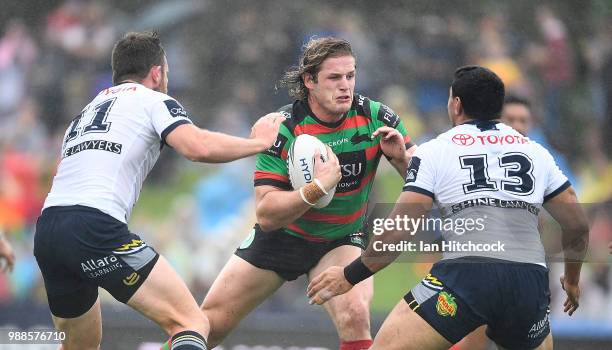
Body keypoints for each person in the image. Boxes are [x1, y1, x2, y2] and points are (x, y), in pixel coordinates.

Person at [307, 66, 589, 350]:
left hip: (468, 276)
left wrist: (348, 275)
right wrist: (573, 281)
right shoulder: (536, 152)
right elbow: (577, 225)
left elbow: (399, 230)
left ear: (456, 104)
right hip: (528, 281)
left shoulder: (436, 150)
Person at [33, 31, 282, 350]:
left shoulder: (84, 114)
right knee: (191, 323)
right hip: (94, 226)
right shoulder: (154, 100)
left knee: (81, 346)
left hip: (49, 230)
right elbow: (197, 147)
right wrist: (259, 143)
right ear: (156, 72)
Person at [169, 37, 416, 350]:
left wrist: (401, 159)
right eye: (334, 78)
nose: (345, 86)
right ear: (309, 81)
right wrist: (317, 187)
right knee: (208, 326)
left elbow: (424, 184)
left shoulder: (377, 118)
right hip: (283, 237)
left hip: (340, 240)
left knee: (354, 314)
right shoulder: (282, 128)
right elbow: (267, 215)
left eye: (350, 76)